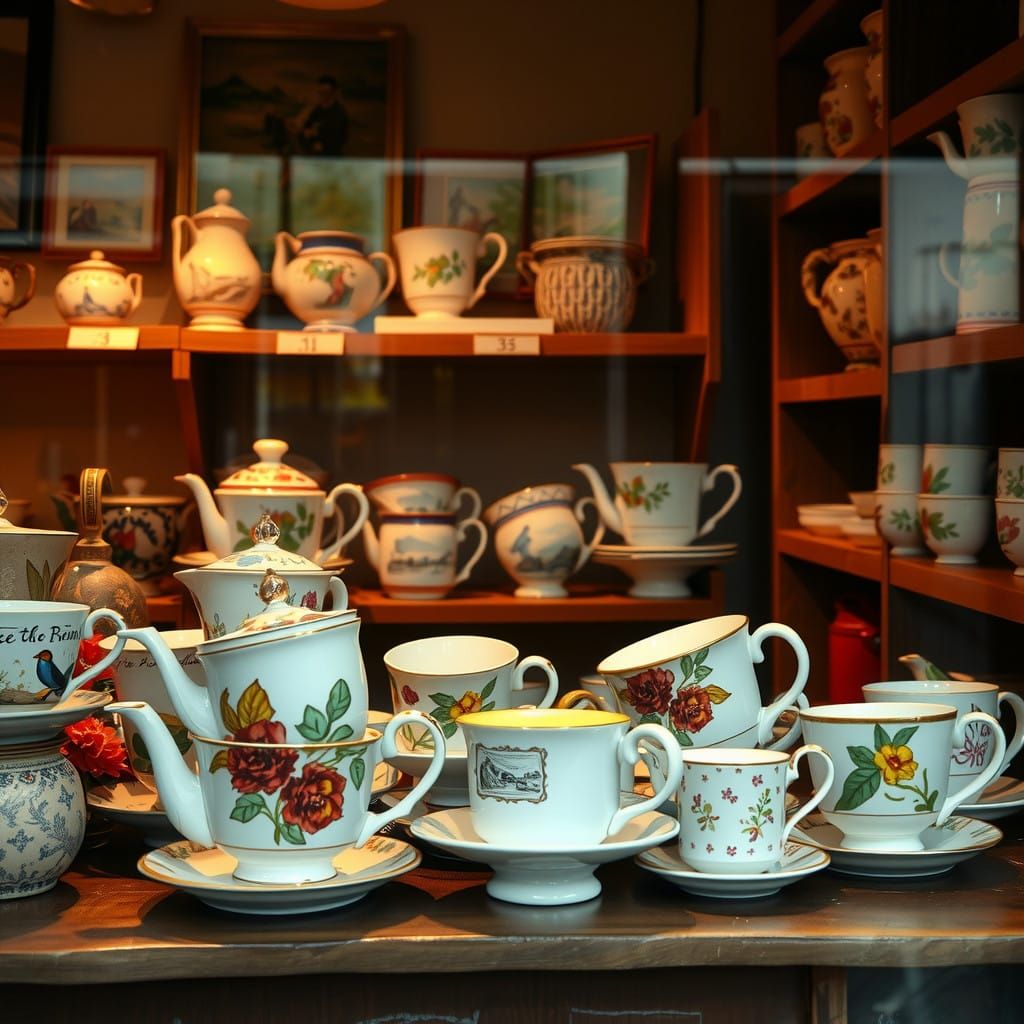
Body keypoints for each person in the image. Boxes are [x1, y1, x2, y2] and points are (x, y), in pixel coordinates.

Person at [299, 75, 349, 156]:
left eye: (326, 92)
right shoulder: (318, 109)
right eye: (320, 92)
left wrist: (314, 134)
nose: (322, 95)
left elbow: (335, 138)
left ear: (333, 93)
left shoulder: (338, 113)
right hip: (314, 150)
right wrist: (311, 135)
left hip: (330, 155)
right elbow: (307, 127)